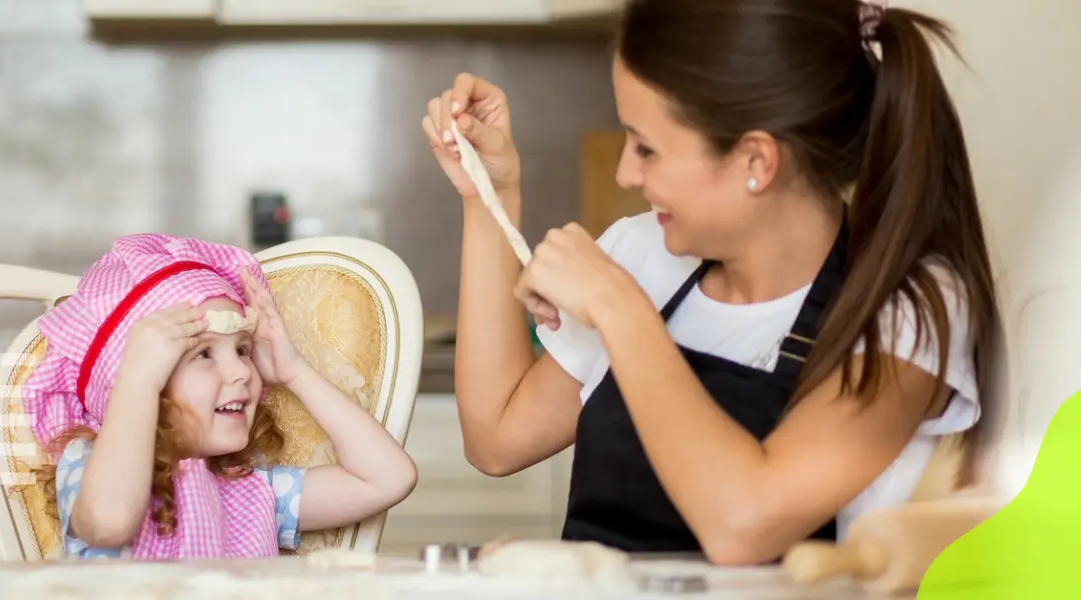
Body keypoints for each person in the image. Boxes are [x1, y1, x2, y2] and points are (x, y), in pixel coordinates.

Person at [421, 0, 1000, 565]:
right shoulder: (644, 251)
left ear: (756, 161)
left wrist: (620, 310)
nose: (626, 172)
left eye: (648, 147)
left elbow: (744, 524)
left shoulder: (906, 307)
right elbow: (497, 439)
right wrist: (487, 198)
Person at [23, 234, 417, 559]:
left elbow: (388, 479)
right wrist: (137, 382)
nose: (241, 371)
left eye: (243, 350)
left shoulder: (254, 494)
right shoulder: (93, 469)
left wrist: (293, 371)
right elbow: (110, 522)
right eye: (204, 353)